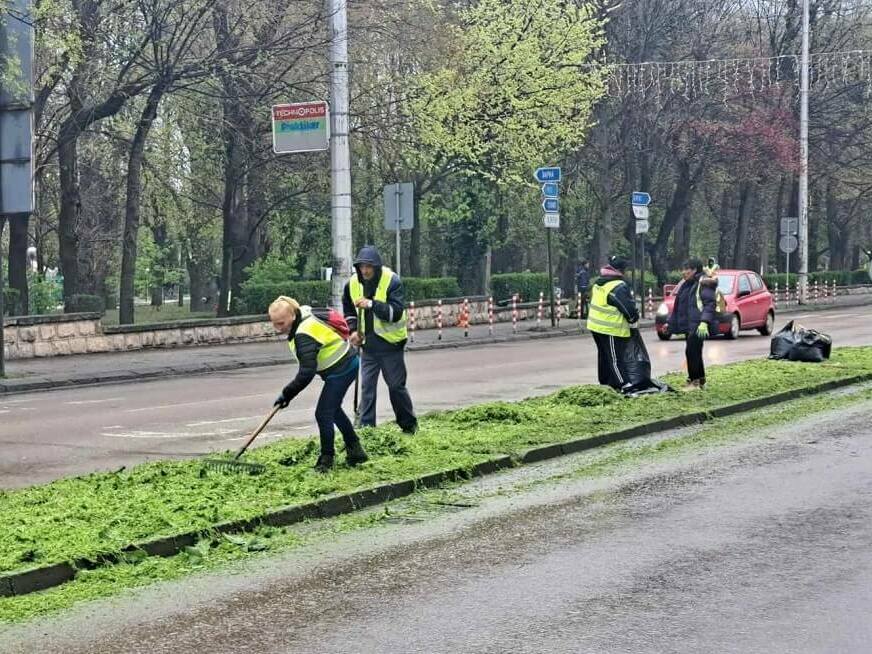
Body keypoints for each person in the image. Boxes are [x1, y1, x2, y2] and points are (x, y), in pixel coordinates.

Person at [270, 296, 369, 472]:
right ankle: (356, 451)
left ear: (292, 316)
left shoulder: (303, 334)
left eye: (281, 323)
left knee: (323, 413)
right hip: (344, 363)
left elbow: (306, 373)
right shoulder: (304, 313)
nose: (277, 328)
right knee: (334, 410)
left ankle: (326, 460)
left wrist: (287, 394)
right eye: (274, 323)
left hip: (342, 369)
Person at [342, 245, 418, 433]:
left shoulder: (392, 281)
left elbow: (394, 312)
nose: (365, 270)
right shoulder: (352, 284)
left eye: (369, 266)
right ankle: (367, 429)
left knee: (396, 387)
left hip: (391, 345)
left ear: (376, 266)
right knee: (367, 389)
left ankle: (409, 425)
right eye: (362, 267)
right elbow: (349, 310)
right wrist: (352, 332)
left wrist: (371, 304)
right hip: (368, 346)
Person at [587, 256, 640, 391]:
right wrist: (633, 319)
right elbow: (627, 307)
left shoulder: (599, 282)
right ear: (622, 270)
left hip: (595, 326)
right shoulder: (618, 286)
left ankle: (606, 384)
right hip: (610, 328)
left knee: (604, 356)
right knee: (615, 358)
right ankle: (624, 384)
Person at [667, 258, 718, 390]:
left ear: (695, 270)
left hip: (698, 324)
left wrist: (704, 322)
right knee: (694, 351)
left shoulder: (703, 283)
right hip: (690, 325)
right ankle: (700, 380)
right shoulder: (686, 284)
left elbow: (710, 304)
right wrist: (670, 324)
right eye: (682, 269)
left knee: (692, 351)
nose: (683, 272)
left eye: (686, 269)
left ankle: (694, 381)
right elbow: (679, 307)